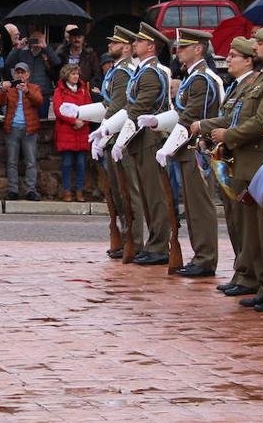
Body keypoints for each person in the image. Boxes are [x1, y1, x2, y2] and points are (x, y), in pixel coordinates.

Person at [199, 27, 263, 312]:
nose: (256, 48)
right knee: (256, 232)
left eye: (261, 44)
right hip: (250, 163)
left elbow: (261, 122)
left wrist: (227, 136)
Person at [158, 29, 223, 278]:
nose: (178, 51)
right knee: (193, 206)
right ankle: (200, 256)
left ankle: (205, 259)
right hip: (188, 149)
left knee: (200, 207)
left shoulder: (201, 79)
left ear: (198, 49)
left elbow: (191, 117)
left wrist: (168, 147)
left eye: (184, 47)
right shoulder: (191, 77)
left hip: (199, 149)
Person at [204, 38, 258, 297]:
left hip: (242, 158)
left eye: (234, 56)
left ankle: (248, 273)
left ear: (248, 60)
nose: (228, 60)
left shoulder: (250, 86)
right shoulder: (237, 86)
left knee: (242, 222)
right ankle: (242, 271)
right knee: (234, 221)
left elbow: (243, 122)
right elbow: (227, 116)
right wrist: (205, 126)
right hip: (230, 159)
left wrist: (223, 134)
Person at [116, 22, 173, 266]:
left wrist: (119, 137)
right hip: (142, 138)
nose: (134, 44)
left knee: (155, 195)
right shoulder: (144, 71)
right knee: (148, 195)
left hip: (150, 138)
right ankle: (153, 244)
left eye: (139, 41)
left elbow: (138, 108)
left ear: (150, 46)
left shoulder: (151, 73)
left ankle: (160, 245)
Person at [91, 26, 145, 259]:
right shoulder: (117, 70)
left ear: (125, 47)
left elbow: (118, 105)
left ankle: (134, 240)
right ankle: (126, 239)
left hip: (123, 136)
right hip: (115, 134)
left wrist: (104, 132)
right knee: (118, 191)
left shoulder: (124, 72)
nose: (109, 46)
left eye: (114, 43)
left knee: (128, 191)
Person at [0, 62, 43, 201]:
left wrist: (27, 91)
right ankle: (12, 190)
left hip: (30, 129)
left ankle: (31, 190)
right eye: (18, 72)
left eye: (23, 72)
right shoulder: (10, 89)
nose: (20, 75)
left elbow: (39, 102)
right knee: (11, 161)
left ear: (28, 75)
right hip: (13, 128)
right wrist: (3, 89)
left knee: (31, 162)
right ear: (14, 74)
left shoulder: (34, 87)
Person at [53, 64, 92, 201]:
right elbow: (58, 110)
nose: (76, 77)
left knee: (81, 163)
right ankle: (67, 191)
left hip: (81, 131)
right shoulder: (59, 91)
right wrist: (73, 121)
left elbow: (90, 109)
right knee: (67, 163)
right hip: (67, 131)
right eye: (73, 74)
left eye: (77, 74)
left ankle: (80, 191)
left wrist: (83, 121)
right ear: (66, 75)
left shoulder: (83, 91)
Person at [5, 31, 59, 118]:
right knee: (27, 121)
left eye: (39, 39)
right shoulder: (23, 53)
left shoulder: (47, 53)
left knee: (42, 121)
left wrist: (46, 47)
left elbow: (57, 63)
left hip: (43, 93)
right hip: (25, 92)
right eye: (34, 39)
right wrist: (18, 48)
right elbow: (8, 63)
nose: (36, 41)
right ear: (29, 40)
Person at [57, 27, 103, 94]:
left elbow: (97, 74)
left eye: (79, 37)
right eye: (74, 37)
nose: (77, 39)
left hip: (84, 90)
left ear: (83, 39)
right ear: (69, 38)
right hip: (66, 89)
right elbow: (57, 73)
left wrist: (91, 88)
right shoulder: (62, 54)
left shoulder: (90, 55)